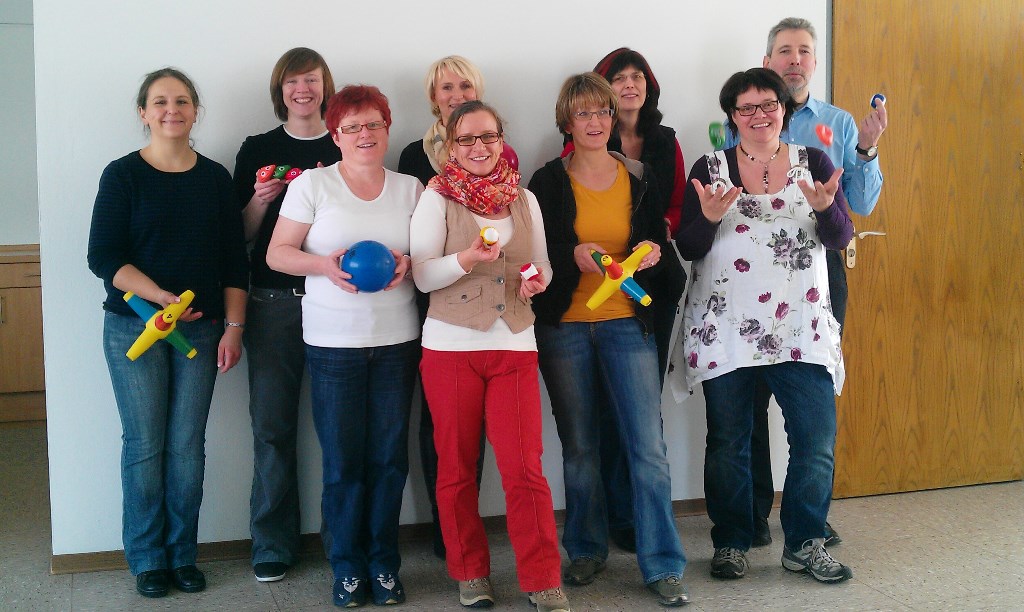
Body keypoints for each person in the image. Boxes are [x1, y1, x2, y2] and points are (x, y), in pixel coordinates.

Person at [676, 67, 854, 583]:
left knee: (815, 440)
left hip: (801, 326)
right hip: (726, 326)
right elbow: (688, 247)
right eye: (746, 107)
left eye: (768, 104)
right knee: (728, 442)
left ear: (784, 109)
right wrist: (709, 218)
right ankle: (732, 541)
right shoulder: (710, 168)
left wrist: (827, 210)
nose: (759, 115)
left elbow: (840, 237)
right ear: (732, 116)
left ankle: (804, 542)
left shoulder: (814, 162)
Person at [723, 17, 888, 548]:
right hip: (749, 277)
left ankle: (809, 519)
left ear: (815, 62)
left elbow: (860, 205)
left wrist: (865, 150)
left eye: (804, 51)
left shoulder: (837, 124)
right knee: (747, 402)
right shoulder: (742, 116)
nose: (795, 60)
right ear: (768, 60)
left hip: (817, 272)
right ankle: (751, 517)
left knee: (812, 403)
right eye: (785, 51)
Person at [528, 73, 689, 607]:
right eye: (583, 113)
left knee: (648, 448)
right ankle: (585, 549)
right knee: (580, 447)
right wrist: (570, 255)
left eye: (602, 112)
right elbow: (535, 250)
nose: (595, 122)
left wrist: (652, 253)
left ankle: (663, 563)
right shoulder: (546, 180)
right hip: (565, 327)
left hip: (627, 322)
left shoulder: (638, 176)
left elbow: (655, 242)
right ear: (567, 122)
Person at [87, 67, 249, 599]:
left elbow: (234, 260)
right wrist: (159, 297)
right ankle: (147, 559)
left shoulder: (215, 179)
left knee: (186, 446)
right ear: (143, 112)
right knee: (144, 444)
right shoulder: (122, 175)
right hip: (133, 330)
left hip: (200, 334)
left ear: (195, 111)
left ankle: (182, 555)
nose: (171, 110)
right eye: (160, 101)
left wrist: (234, 328)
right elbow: (103, 256)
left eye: (181, 101)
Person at [266, 85, 422, 607]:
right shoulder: (312, 185)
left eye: (373, 124)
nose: (364, 134)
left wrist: (408, 263)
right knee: (342, 463)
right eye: (352, 127)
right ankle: (348, 567)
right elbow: (278, 254)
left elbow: (429, 256)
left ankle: (384, 564)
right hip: (333, 345)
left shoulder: (411, 189)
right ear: (335, 135)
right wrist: (324, 266)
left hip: (397, 341)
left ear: (387, 128)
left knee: (389, 461)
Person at [410, 100, 570, 612]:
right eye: (467, 139)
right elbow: (422, 275)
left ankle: (543, 579)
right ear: (450, 145)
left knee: (525, 468)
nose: (479, 147)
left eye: (489, 136)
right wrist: (467, 258)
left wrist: (539, 280)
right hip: (450, 347)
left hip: (515, 344)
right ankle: (470, 573)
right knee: (457, 469)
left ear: (502, 139)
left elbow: (542, 264)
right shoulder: (436, 198)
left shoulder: (524, 198)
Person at [561, 47, 689, 554]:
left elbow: (668, 211)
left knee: (643, 426)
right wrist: (578, 255)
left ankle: (651, 541)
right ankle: (599, 533)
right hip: (576, 314)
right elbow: (551, 241)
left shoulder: (655, 155)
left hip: (641, 300)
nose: (595, 121)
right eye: (620, 78)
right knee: (588, 434)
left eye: (638, 77)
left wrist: (655, 241)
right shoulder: (558, 170)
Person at [231, 47, 340, 584]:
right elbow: (241, 237)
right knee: (272, 427)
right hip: (272, 303)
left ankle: (343, 540)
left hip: (336, 300)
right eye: (293, 81)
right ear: (280, 90)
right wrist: (259, 200)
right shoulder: (257, 149)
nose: (303, 90)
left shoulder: (344, 142)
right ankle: (273, 543)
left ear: (325, 87)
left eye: (311, 80)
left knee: (340, 427)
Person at [397, 55, 487, 561]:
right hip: (430, 301)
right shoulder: (414, 154)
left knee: (477, 421)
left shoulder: (497, 150)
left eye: (465, 85)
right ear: (434, 98)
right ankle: (444, 527)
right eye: (446, 88)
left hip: (487, 304)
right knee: (439, 420)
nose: (456, 95)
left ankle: (470, 523)